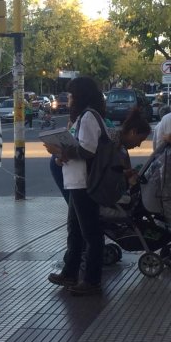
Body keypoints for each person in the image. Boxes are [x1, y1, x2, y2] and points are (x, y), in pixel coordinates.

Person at [44, 76, 107, 296]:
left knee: (90, 232)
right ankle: (70, 271)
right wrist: (62, 155)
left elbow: (88, 151)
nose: (68, 99)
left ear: (80, 96)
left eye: (71, 95)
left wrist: (62, 152)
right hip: (75, 182)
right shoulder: (83, 117)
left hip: (84, 183)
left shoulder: (89, 117)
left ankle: (91, 280)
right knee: (75, 230)